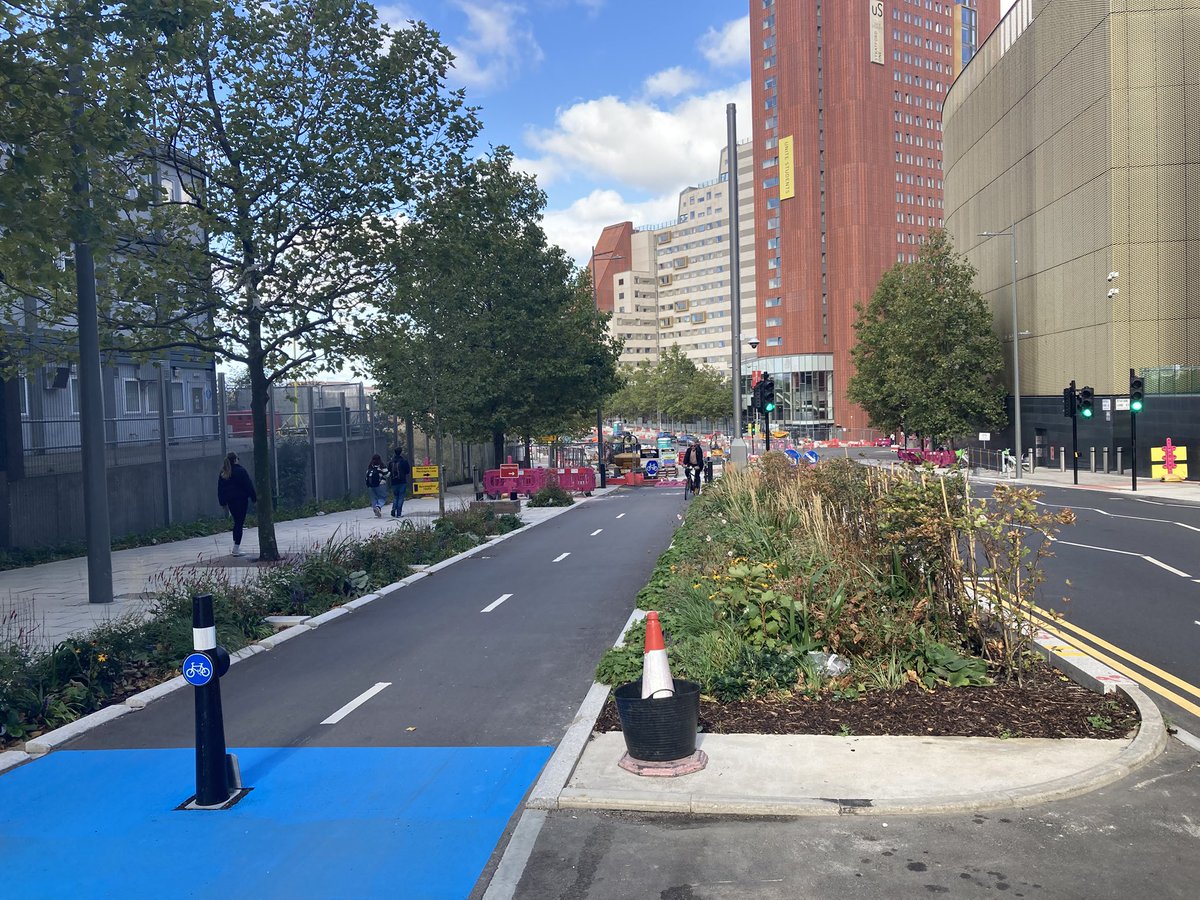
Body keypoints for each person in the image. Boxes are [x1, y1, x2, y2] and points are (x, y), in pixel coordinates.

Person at [217, 451, 256, 557]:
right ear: (235, 459)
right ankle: (236, 548)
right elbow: (248, 485)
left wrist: (222, 502)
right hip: (241, 500)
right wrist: (254, 498)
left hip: (231, 502)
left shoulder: (224, 473)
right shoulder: (241, 471)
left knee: (236, 522)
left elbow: (220, 489)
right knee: (239, 523)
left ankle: (236, 545)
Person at [387, 445, 411, 518]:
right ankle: (399, 513)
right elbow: (408, 471)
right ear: (401, 452)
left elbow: (389, 471)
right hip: (402, 481)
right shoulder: (404, 461)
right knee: (401, 497)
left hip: (394, 482)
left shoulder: (391, 462)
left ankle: (394, 508)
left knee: (395, 497)